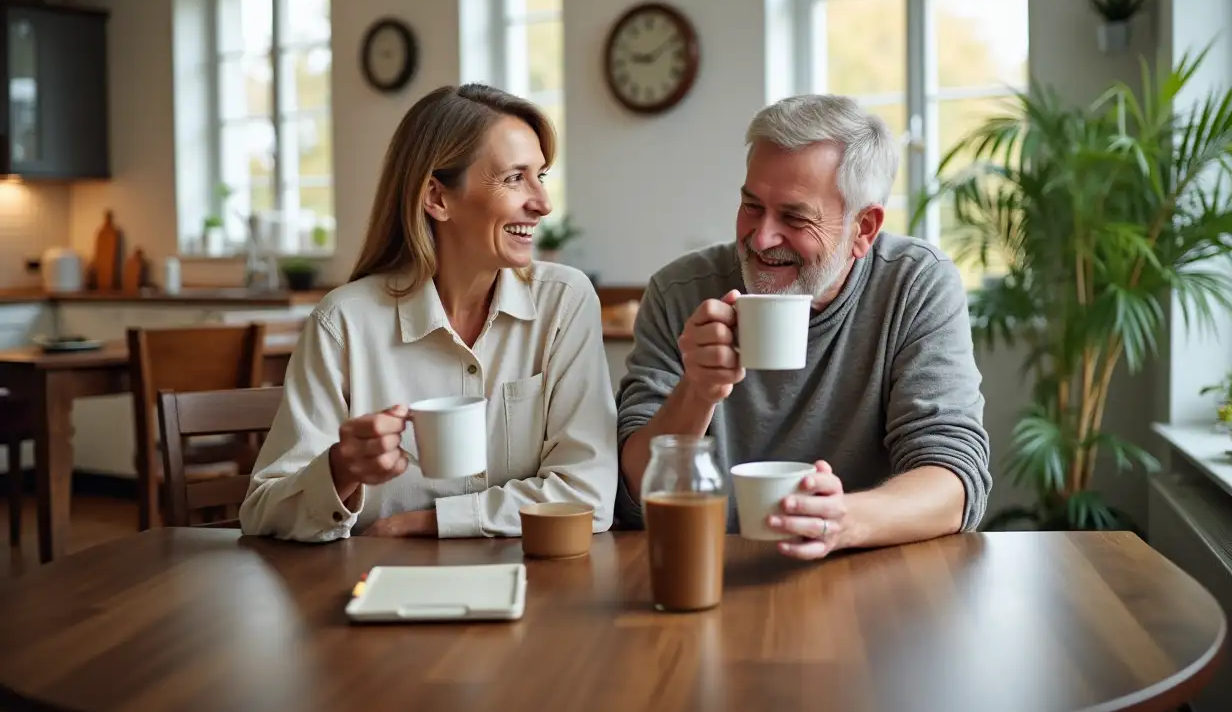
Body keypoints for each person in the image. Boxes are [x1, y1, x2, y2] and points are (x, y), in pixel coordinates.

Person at [616, 94, 991, 560]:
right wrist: (697, 390)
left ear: (864, 229)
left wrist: (843, 521)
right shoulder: (680, 291)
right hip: (709, 568)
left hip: (868, 578)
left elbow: (953, 478)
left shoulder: (914, 284)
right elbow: (633, 491)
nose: (762, 237)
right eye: (752, 206)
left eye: (794, 217)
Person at [239, 84, 617, 541]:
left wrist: (423, 523)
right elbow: (263, 512)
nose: (542, 202)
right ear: (437, 198)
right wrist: (339, 469)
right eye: (515, 178)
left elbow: (588, 494)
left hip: (532, 587)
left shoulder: (564, 301)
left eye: (540, 175)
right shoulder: (343, 323)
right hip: (376, 592)